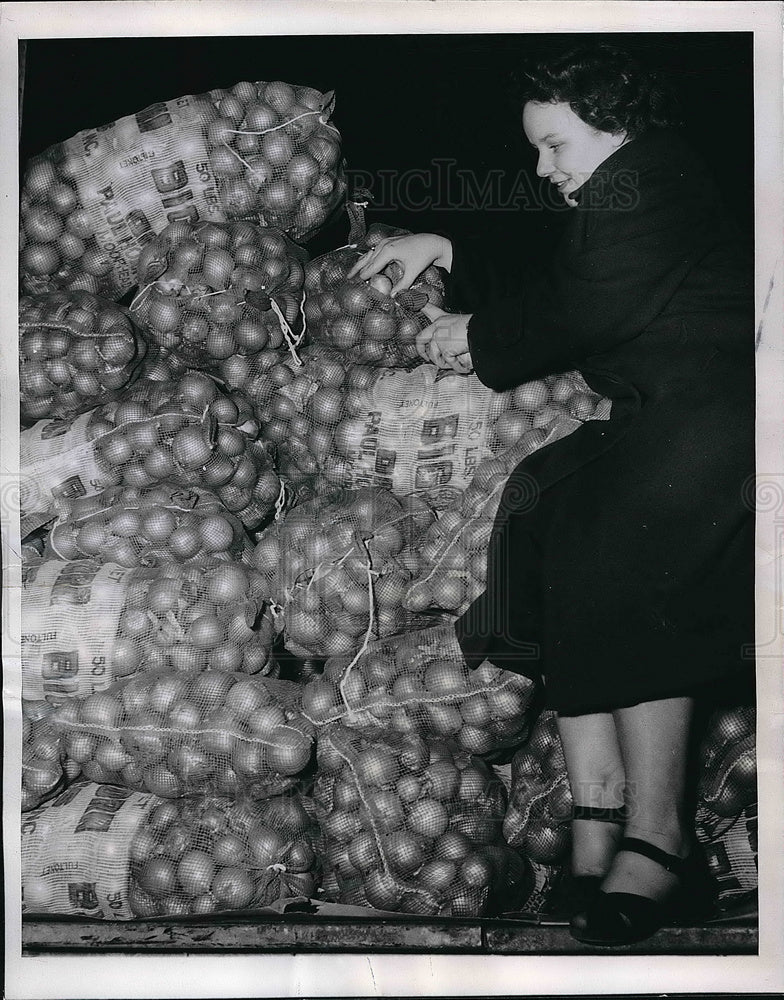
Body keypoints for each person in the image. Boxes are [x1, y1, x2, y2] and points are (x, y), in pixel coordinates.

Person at [348, 43, 755, 945]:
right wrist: (451, 243)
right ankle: (596, 821)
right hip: (674, 415)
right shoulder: (625, 187)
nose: (544, 169)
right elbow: (563, 270)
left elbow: (581, 305)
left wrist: (473, 334)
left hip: (729, 420)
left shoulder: (657, 179)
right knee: (546, 506)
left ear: (616, 126)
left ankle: (664, 841)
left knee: (623, 550)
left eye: (556, 146)